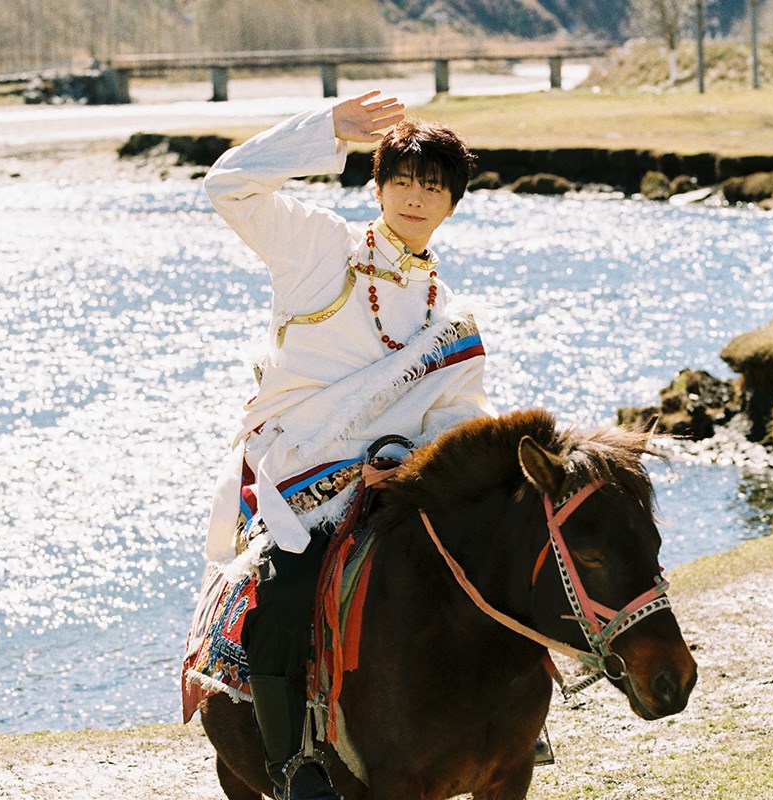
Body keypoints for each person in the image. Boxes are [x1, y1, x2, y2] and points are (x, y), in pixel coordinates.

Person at [200, 90, 491, 800]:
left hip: (396, 485)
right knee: (286, 589)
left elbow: (456, 420)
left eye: (433, 186)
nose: (415, 198)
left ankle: (502, 728)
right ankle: (291, 759)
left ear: (453, 202)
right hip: (300, 482)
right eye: (403, 180)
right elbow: (227, 184)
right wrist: (323, 129)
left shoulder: (450, 319)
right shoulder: (317, 247)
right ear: (379, 185)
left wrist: (406, 467)